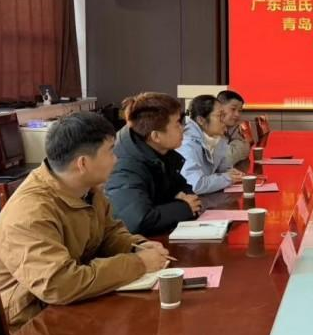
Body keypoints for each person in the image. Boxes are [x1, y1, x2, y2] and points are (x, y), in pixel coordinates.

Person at [0, 112, 170, 330]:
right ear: (82, 163)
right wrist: (138, 263)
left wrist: (136, 247)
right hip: (32, 324)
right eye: (110, 151)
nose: (116, 159)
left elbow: (108, 233)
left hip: (74, 306)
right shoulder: (29, 213)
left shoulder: (86, 189)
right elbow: (59, 285)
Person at [105, 92, 203, 236]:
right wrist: (183, 207)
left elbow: (183, 188)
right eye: (177, 124)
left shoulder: (161, 152)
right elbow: (138, 221)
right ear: (156, 136)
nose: (183, 128)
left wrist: (184, 200)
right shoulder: (124, 166)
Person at [179, 94, 246, 194]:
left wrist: (232, 173)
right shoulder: (188, 144)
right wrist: (227, 178)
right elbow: (195, 185)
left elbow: (223, 169)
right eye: (219, 116)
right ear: (201, 120)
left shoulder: (217, 138)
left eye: (224, 115)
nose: (223, 120)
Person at [218, 89, 251, 166]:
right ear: (219, 108)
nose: (237, 114)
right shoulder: (210, 131)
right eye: (233, 109)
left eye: (239, 111)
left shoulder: (226, 130)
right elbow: (226, 160)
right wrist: (243, 145)